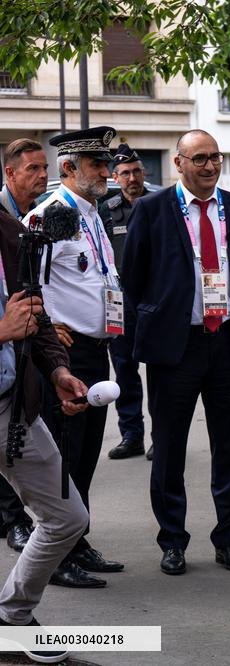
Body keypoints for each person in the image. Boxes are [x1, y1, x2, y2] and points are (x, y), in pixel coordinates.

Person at [122, 129, 230, 577]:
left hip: (227, 343)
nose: (209, 166)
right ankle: (173, 541)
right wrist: (150, 331)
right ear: (178, 163)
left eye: (215, 157)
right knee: (170, 448)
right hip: (175, 348)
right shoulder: (151, 210)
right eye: (199, 158)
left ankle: (229, 538)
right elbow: (133, 280)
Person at [23, 126, 126, 590]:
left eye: (106, 163)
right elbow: (29, 285)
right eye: (96, 165)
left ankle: (78, 540)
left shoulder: (90, 212)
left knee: (84, 456)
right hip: (65, 355)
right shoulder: (51, 216)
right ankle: (58, 553)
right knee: (63, 457)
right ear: (69, 168)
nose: (106, 172)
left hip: (96, 349)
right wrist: (49, 330)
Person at [0, 197, 92, 663]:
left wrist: (56, 373)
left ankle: (11, 617)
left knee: (68, 518)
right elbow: (11, 324)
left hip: (11, 408)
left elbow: (34, 319)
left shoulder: (12, 232)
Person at [0, 139, 48, 552]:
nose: (42, 176)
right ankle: (13, 519)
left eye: (44, 168)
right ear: (10, 173)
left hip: (20, 359)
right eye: (32, 169)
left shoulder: (31, 221)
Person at [99, 143, 150, 461]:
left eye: (136, 171)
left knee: (161, 370)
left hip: (154, 299)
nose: (132, 177)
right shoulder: (106, 209)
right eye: (125, 173)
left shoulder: (160, 205)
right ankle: (132, 434)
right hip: (119, 301)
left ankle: (164, 436)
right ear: (116, 177)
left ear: (143, 173)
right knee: (124, 369)